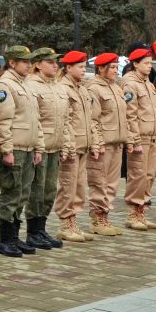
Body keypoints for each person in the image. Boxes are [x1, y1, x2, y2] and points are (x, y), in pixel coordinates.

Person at [0, 46, 44, 257]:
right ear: (12, 63)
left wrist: (39, 146)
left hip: (29, 147)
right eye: (24, 61)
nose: (29, 65)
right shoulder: (6, 84)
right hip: (15, 147)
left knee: (22, 195)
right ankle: (5, 240)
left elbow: (35, 119)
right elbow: (3, 121)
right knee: (11, 194)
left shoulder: (26, 84)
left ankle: (14, 237)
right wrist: (6, 150)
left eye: (30, 61)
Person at [23, 48, 66, 250]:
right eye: (50, 62)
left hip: (55, 146)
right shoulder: (32, 85)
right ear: (38, 64)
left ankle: (41, 229)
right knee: (36, 192)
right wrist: (39, 145)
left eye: (56, 61)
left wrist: (65, 144)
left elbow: (65, 119)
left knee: (49, 191)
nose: (55, 65)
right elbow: (35, 119)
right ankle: (33, 231)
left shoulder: (57, 87)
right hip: (40, 146)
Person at [85, 52, 131, 236]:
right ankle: (97, 218)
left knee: (112, 184)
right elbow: (93, 119)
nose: (114, 70)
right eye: (111, 67)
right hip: (104, 142)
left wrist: (127, 139)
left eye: (115, 66)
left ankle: (105, 215)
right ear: (101, 68)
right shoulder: (94, 88)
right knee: (99, 182)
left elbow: (123, 116)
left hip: (117, 142)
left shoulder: (116, 87)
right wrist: (97, 142)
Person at [56, 50, 100, 242]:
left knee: (79, 186)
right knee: (68, 185)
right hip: (72, 146)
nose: (84, 70)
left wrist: (94, 142)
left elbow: (90, 119)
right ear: (68, 68)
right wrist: (68, 146)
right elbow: (64, 120)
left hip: (84, 144)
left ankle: (74, 221)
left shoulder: (81, 89)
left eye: (84, 66)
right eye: (80, 67)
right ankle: (66, 223)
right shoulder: (63, 88)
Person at [121, 47, 156, 230]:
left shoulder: (149, 84)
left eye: (150, 63)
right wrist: (135, 140)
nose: (149, 66)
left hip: (152, 137)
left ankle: (142, 210)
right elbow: (130, 115)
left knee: (149, 176)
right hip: (141, 139)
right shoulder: (130, 84)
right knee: (137, 175)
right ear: (135, 64)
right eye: (145, 63)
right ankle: (133, 213)